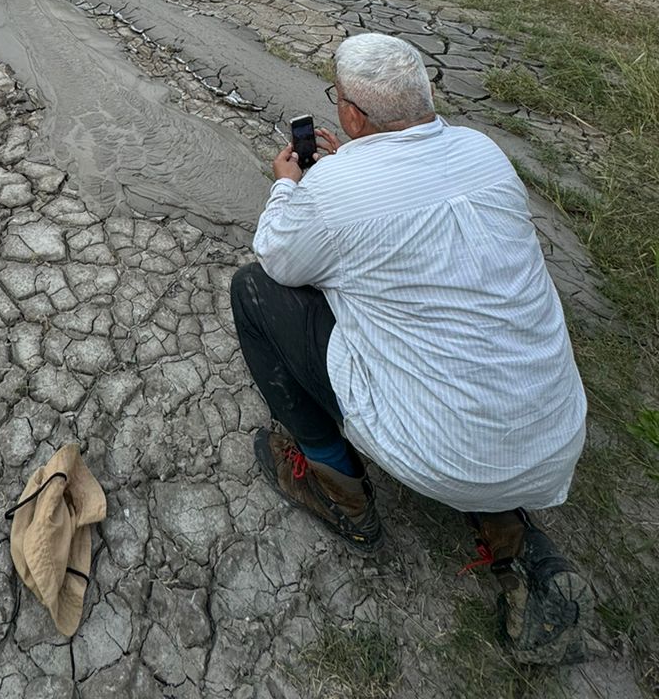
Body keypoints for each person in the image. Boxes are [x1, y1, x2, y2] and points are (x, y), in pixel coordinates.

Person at [230, 33, 590, 665]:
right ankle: (506, 525)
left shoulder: (335, 187)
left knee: (254, 291)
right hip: (554, 434)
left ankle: (336, 487)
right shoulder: (483, 152)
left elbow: (280, 258)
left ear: (350, 115)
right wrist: (349, 170)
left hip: (440, 452)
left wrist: (291, 184)